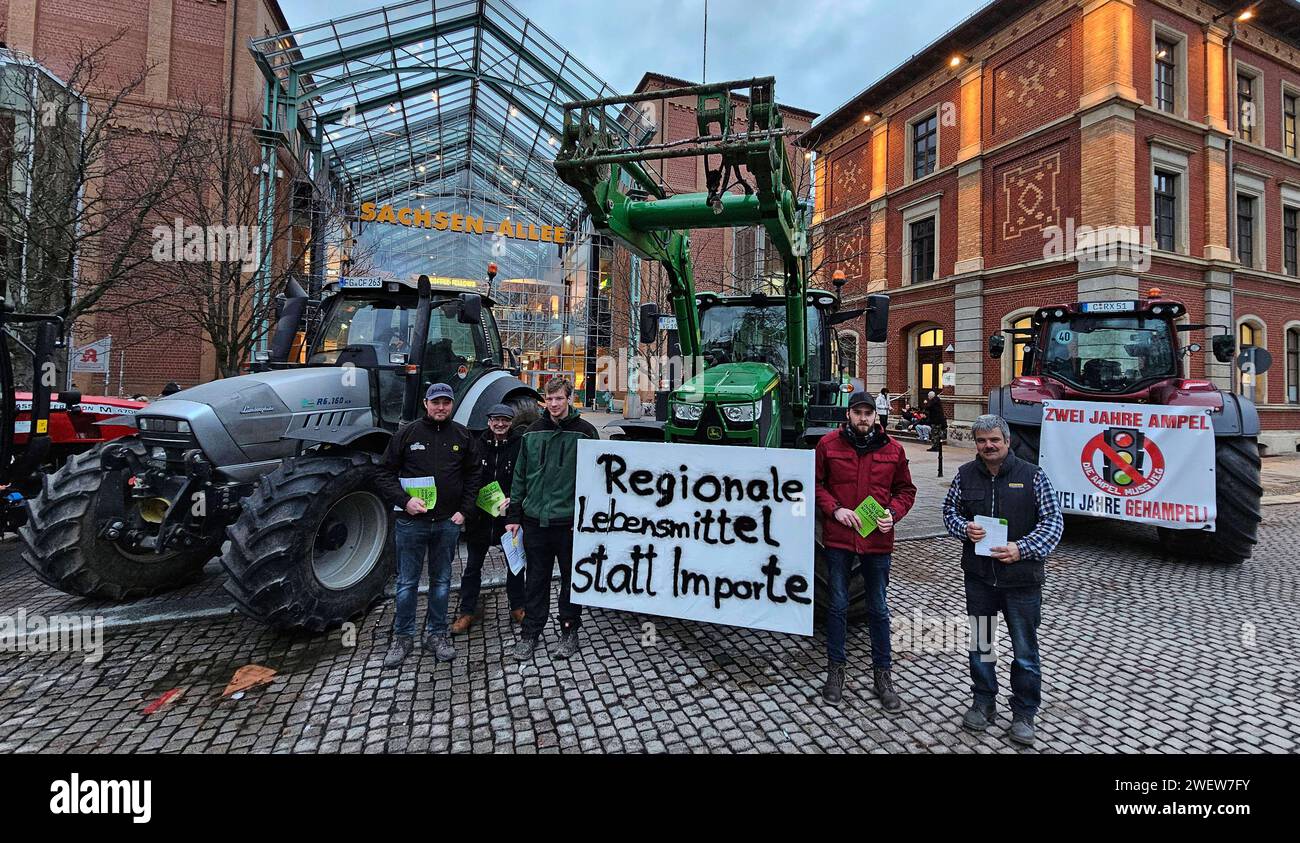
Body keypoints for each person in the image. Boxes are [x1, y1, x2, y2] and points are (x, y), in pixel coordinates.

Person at [942, 414, 1063, 747]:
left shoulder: (1032, 476)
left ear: (1007, 441)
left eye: (994, 439)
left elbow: (1053, 523)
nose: (988, 446)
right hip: (979, 579)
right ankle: (983, 701)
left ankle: (1024, 712)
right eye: (981, 441)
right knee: (980, 645)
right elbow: (949, 511)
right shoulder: (966, 475)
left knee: (1025, 651)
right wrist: (963, 528)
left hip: (1021, 581)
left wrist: (1021, 549)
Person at [814, 391, 917, 710]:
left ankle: (883, 676)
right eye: (857, 412)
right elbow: (817, 484)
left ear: (876, 416)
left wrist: (893, 514)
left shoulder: (894, 449)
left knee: (878, 608)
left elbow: (906, 490)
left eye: (868, 413)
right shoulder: (827, 445)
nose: (863, 418)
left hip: (877, 543)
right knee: (838, 605)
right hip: (840, 540)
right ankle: (835, 672)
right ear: (848, 415)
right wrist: (834, 510)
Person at [376, 382, 481, 668]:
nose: (441, 407)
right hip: (411, 524)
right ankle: (403, 637)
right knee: (407, 583)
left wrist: (464, 511)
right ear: (426, 403)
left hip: (447, 523)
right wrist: (404, 500)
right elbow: (384, 473)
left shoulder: (462, 435)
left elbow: (474, 476)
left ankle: (437, 634)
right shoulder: (407, 434)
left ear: (451, 405)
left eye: (446, 402)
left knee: (442, 583)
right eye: (436, 402)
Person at [505, 378, 600, 660]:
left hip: (568, 523)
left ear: (569, 398)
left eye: (559, 398)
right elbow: (520, 476)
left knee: (571, 580)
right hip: (535, 521)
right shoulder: (532, 433)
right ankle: (530, 633)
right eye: (550, 398)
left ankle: (569, 631)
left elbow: (596, 479)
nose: (554, 404)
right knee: (535, 580)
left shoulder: (585, 433)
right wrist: (515, 515)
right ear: (544, 400)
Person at [450, 403, 526, 634]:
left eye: (505, 420)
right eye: (496, 419)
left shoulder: (519, 446)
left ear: (511, 422)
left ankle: (518, 606)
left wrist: (513, 501)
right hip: (480, 518)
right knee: (473, 566)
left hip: (508, 517)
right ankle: (467, 611)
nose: (500, 424)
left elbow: (523, 479)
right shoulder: (476, 445)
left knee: (515, 565)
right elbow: (468, 478)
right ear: (488, 421)